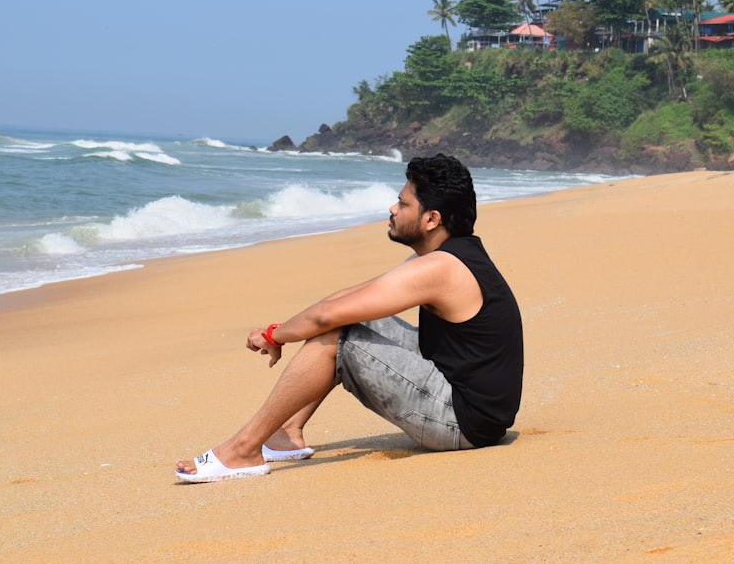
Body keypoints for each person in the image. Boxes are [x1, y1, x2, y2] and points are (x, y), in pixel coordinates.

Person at [175, 154, 524, 482]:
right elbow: (347, 298)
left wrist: (274, 336)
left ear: (432, 219)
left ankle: (243, 450)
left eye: (403, 204)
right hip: (475, 409)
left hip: (463, 423)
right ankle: (286, 434)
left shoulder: (440, 268)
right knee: (351, 320)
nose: (393, 208)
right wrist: (278, 329)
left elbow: (327, 317)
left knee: (338, 336)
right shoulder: (449, 256)